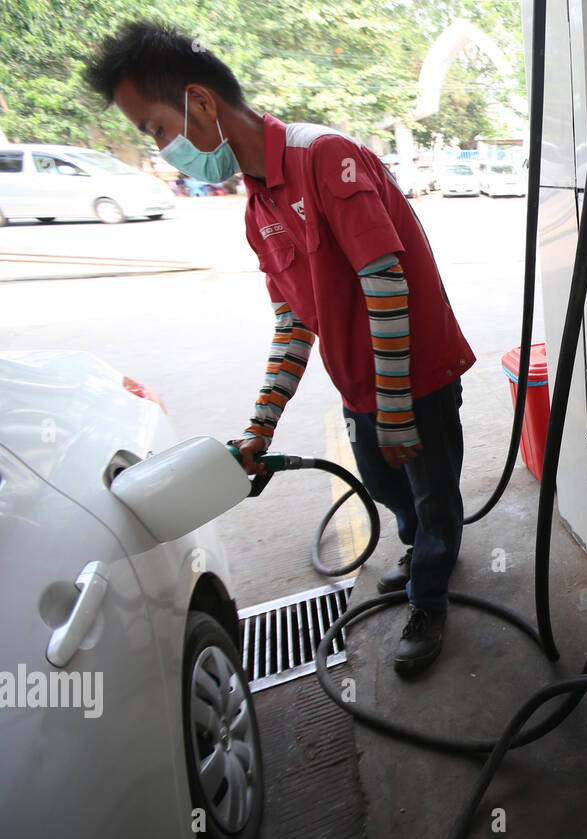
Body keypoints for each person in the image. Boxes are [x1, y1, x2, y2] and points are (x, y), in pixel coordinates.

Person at [84, 21, 476, 676]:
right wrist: (259, 428)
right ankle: (420, 548)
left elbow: (385, 286)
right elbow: (295, 323)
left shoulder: (324, 158)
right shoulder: (258, 209)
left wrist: (398, 406)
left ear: (201, 103)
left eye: (155, 128)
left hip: (417, 377)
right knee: (387, 482)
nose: (159, 148)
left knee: (433, 491)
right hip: (362, 385)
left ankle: (430, 594)